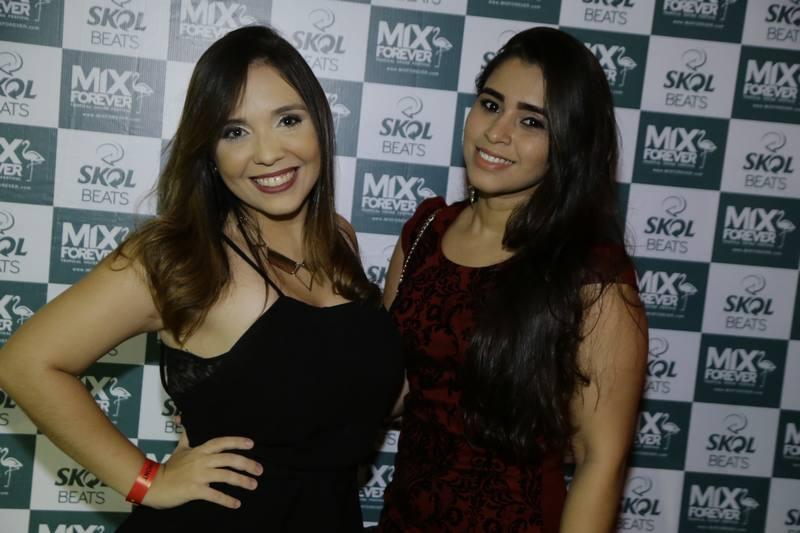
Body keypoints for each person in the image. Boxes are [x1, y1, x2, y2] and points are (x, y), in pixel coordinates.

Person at [0, 26, 403, 532]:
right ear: (209, 151)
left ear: (319, 124)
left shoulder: (338, 238)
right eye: (235, 131)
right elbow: (26, 363)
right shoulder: (183, 256)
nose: (267, 153)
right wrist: (147, 481)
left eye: (287, 120)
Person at [376, 27, 648, 533]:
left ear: (568, 143)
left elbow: (600, 461)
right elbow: (390, 388)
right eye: (490, 104)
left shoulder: (590, 272)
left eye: (531, 121)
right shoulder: (425, 233)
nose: (496, 132)